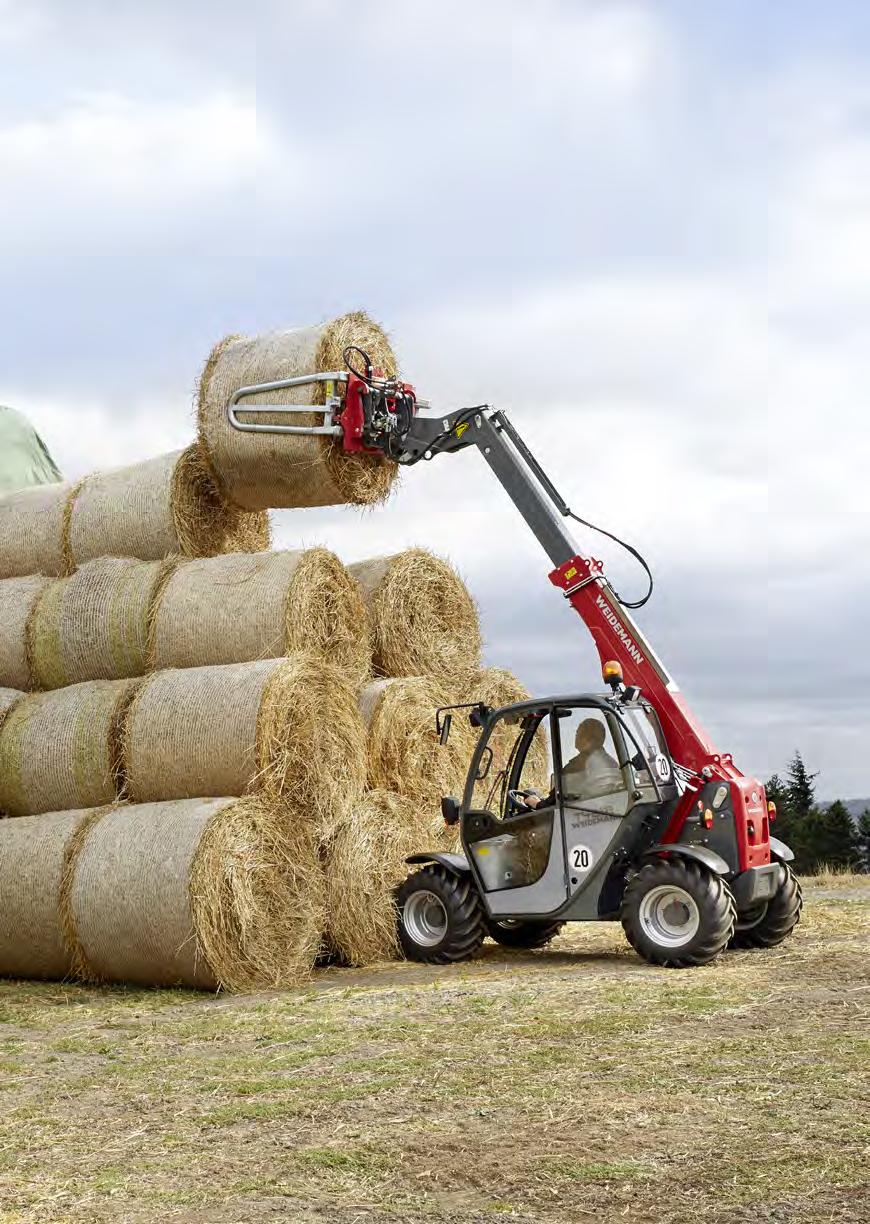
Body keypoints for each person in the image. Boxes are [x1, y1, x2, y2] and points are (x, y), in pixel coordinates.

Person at [523, 718, 622, 809]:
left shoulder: (578, 766)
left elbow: (553, 803)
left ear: (588, 738)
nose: (575, 736)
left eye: (578, 733)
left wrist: (536, 803)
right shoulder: (612, 763)